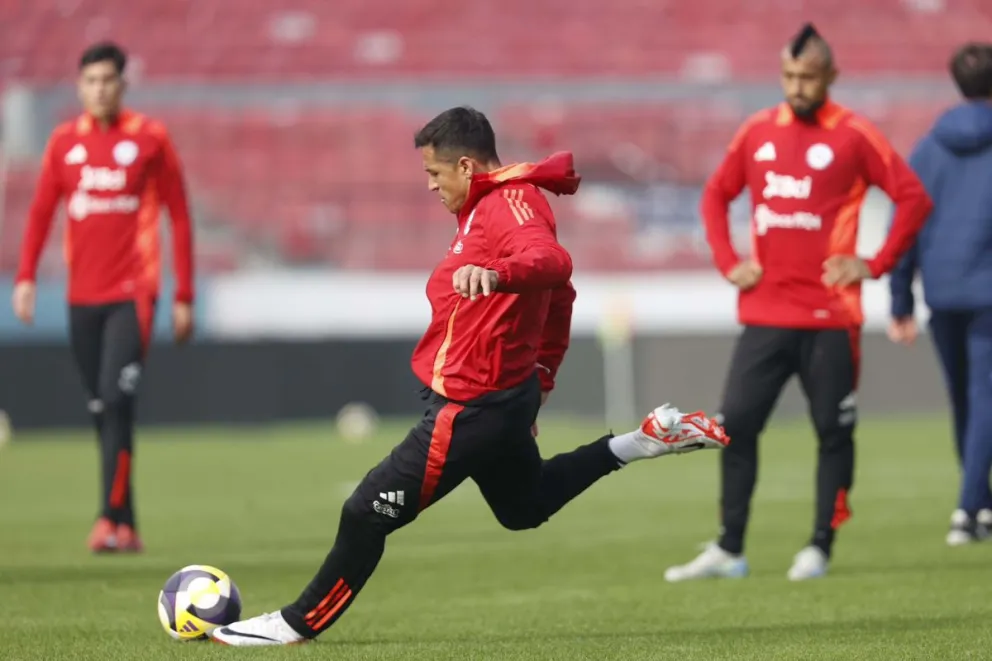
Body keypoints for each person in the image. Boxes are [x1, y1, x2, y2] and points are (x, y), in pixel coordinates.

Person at [209, 106, 730, 646]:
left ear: (463, 165)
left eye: (435, 175)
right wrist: (542, 375)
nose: (432, 188)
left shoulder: (510, 203)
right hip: (501, 397)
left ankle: (297, 624)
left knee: (365, 512)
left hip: (476, 406)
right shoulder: (487, 207)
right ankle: (642, 441)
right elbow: (559, 298)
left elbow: (552, 264)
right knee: (524, 508)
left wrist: (499, 275)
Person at [664, 24, 933, 583]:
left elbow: (912, 198)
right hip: (764, 313)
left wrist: (874, 263)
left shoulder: (855, 135)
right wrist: (728, 261)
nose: (796, 86)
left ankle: (819, 545)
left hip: (831, 317)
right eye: (788, 76)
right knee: (735, 424)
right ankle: (729, 548)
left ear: (830, 77)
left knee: (833, 433)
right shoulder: (757, 130)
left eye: (807, 77)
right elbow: (715, 194)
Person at [11, 42, 196, 553]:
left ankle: (107, 518)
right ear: (80, 87)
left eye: (107, 80)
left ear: (122, 85)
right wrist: (24, 277)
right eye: (90, 81)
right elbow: (42, 212)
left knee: (116, 399)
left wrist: (183, 294)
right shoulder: (63, 142)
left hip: (133, 294)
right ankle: (128, 523)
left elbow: (178, 215)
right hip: (81, 297)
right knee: (102, 408)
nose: (99, 90)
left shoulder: (150, 139)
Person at [888, 42, 992, 546]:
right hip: (988, 292)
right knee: (985, 397)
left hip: (943, 291)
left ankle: (981, 505)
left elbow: (904, 225)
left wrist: (901, 302)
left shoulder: (928, 149)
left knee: (965, 401)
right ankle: (968, 509)